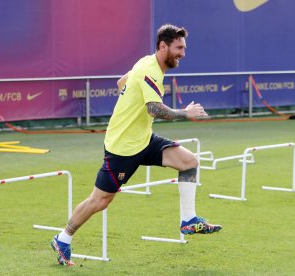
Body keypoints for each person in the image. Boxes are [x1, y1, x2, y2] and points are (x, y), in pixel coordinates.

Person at [51, 24, 222, 266]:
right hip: (122, 147)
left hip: (143, 139)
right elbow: (154, 108)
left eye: (184, 48)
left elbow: (121, 83)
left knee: (189, 162)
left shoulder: (147, 63)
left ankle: (188, 220)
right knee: (100, 201)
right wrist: (186, 113)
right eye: (179, 48)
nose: (183, 53)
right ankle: (62, 238)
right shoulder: (150, 70)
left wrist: (129, 103)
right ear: (163, 46)